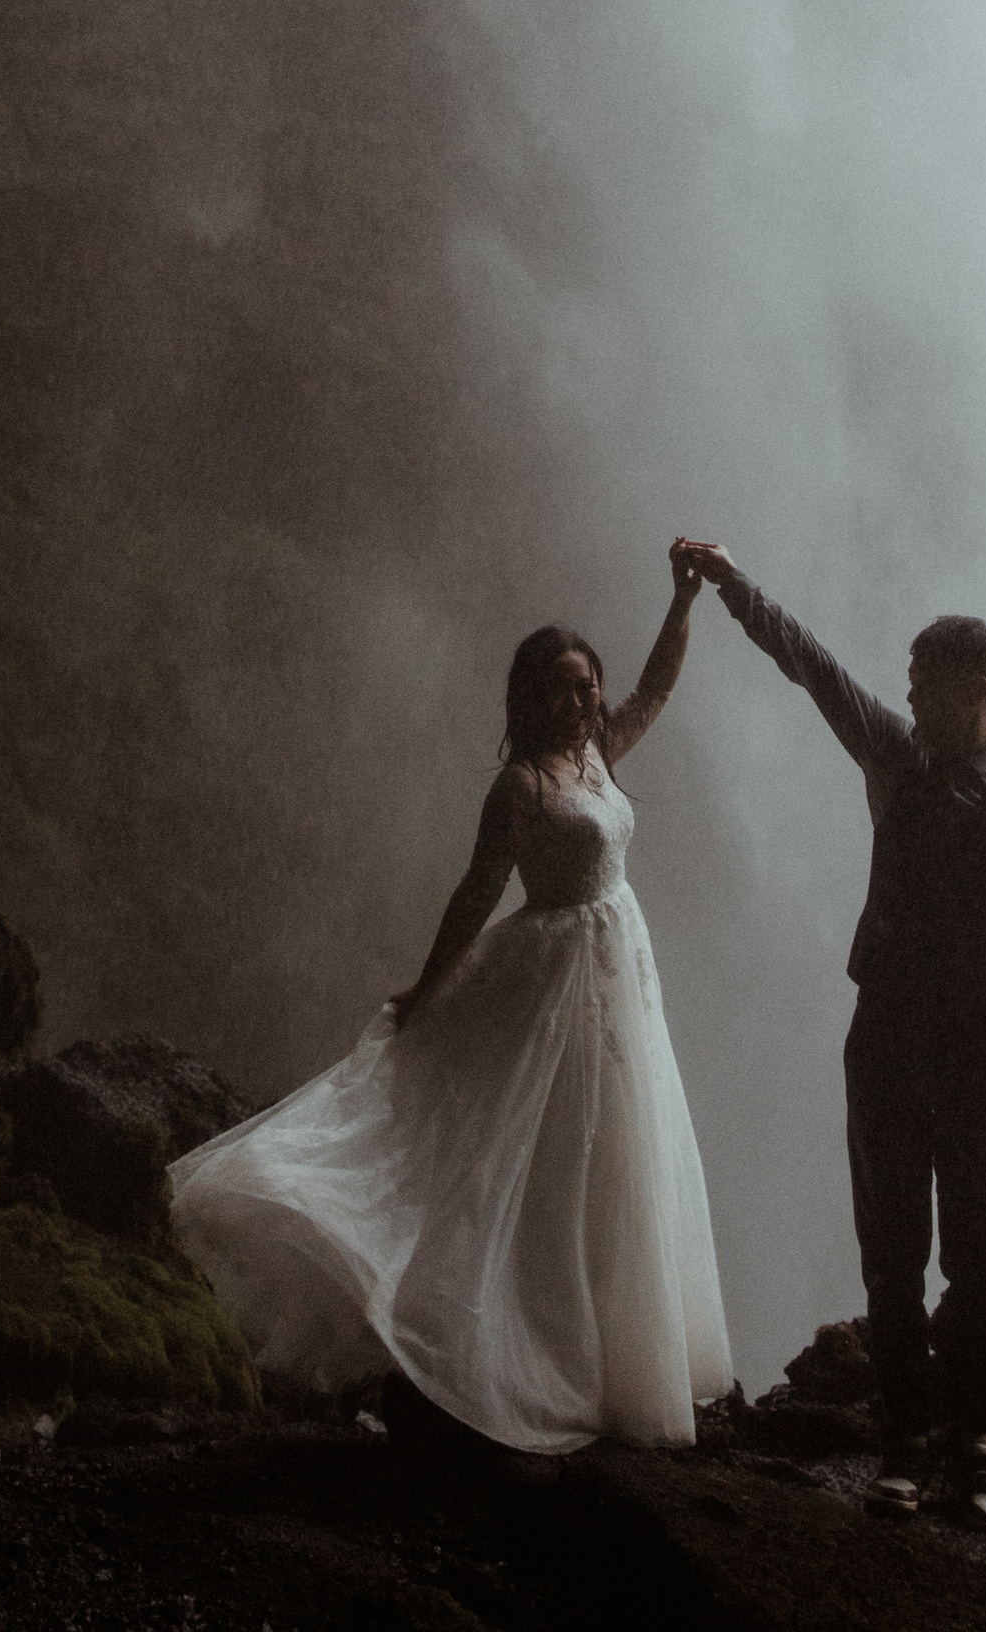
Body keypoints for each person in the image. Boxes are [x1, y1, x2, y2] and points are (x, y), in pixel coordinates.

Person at [166, 545, 731, 1453]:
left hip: (620, 974)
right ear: (526, 699)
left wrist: (682, 603)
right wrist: (426, 990)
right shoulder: (521, 786)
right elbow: (476, 892)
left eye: (585, 687)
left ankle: (608, 1358)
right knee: (527, 1154)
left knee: (614, 1161)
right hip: (553, 977)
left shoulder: (596, 754)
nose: (578, 703)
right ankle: (522, 1350)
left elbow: (657, 690)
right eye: (559, 690)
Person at [675, 539, 986, 1531]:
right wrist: (735, 587)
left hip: (978, 1053)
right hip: (883, 1040)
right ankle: (907, 1446)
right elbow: (813, 665)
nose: (907, 697)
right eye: (908, 683)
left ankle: (976, 1450)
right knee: (892, 1259)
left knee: (980, 1266)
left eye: (924, 684)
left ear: (980, 687)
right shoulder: (893, 754)